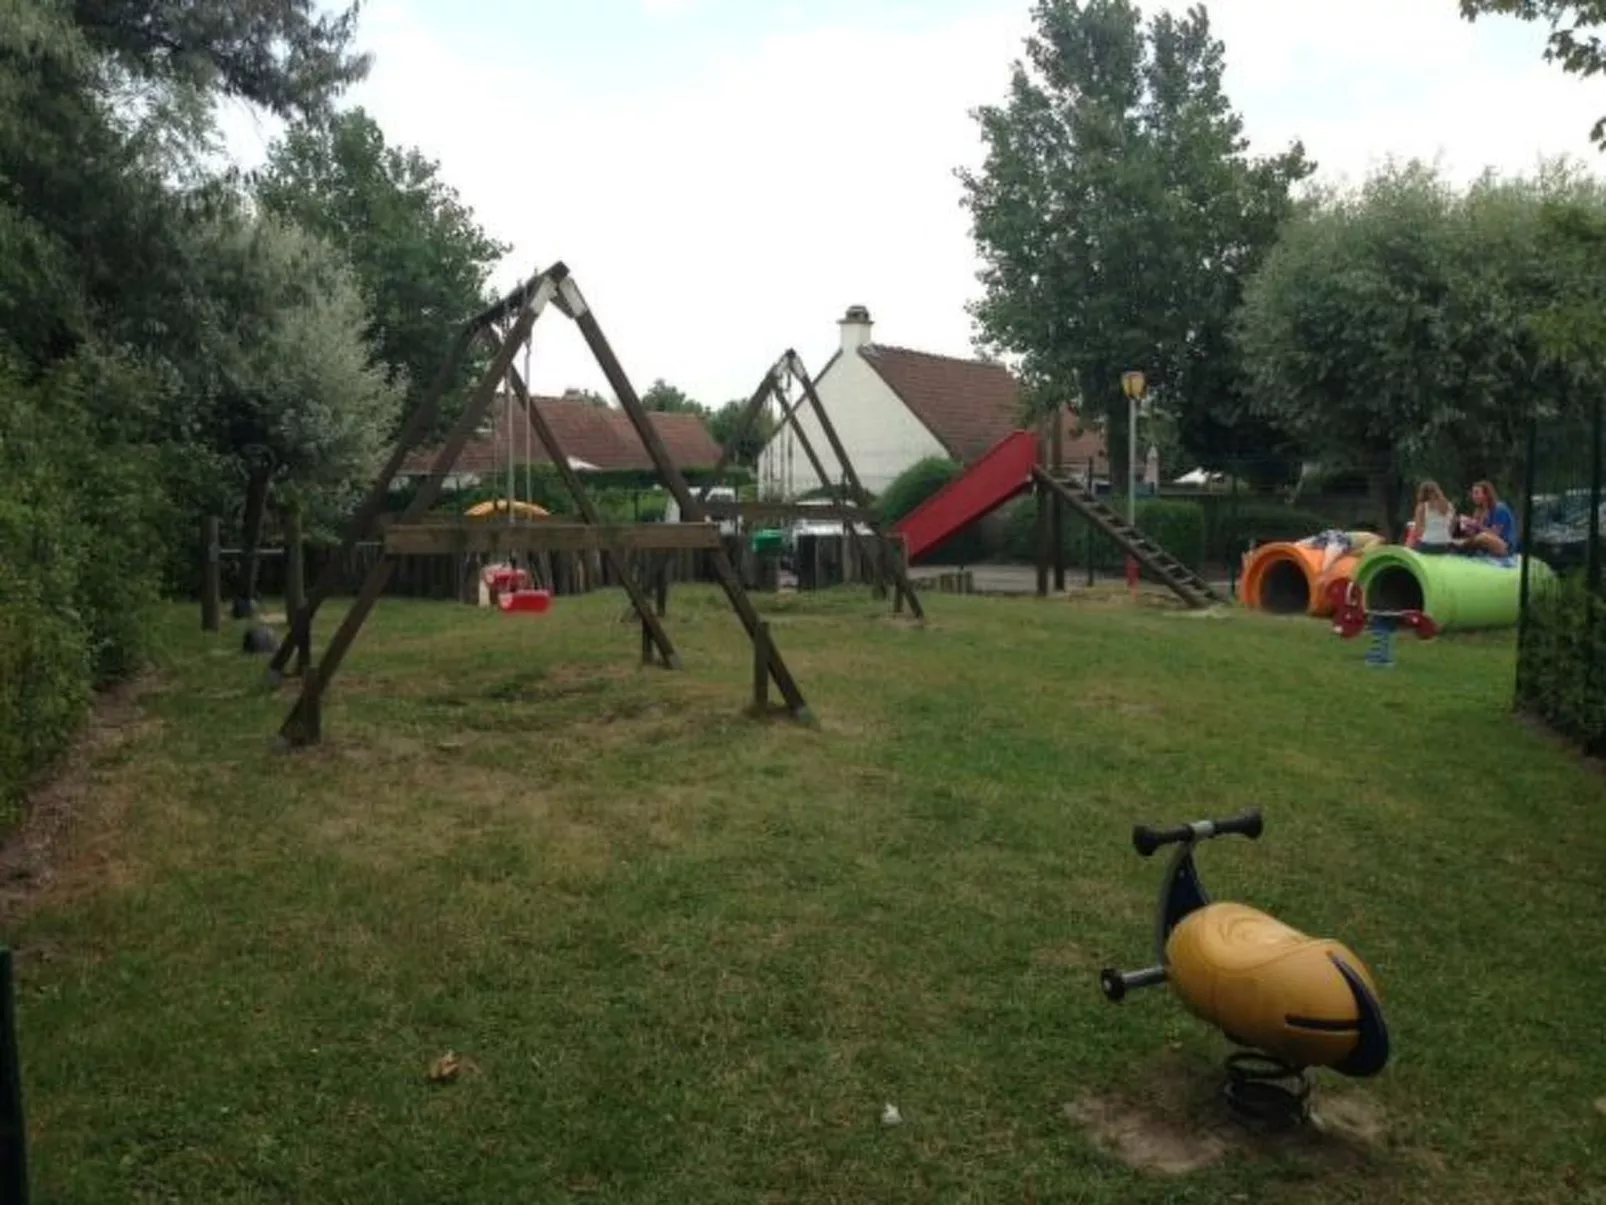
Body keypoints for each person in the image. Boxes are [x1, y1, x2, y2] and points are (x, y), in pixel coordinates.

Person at [1453, 479, 1518, 557]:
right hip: (1484, 544)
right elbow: (1474, 534)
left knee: (1484, 537)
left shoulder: (1499, 508)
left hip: (1505, 546)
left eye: (1476, 493)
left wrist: (1475, 525)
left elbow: (1494, 534)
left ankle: (1460, 548)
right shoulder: (1478, 511)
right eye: (1473, 493)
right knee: (1476, 537)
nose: (1474, 496)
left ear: (1486, 495)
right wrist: (1466, 526)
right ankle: (1459, 547)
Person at [1410, 480, 1456, 553]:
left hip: (1428, 542)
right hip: (1446, 543)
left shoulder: (1422, 507)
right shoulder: (1449, 505)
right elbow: (1452, 525)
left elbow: (1418, 529)